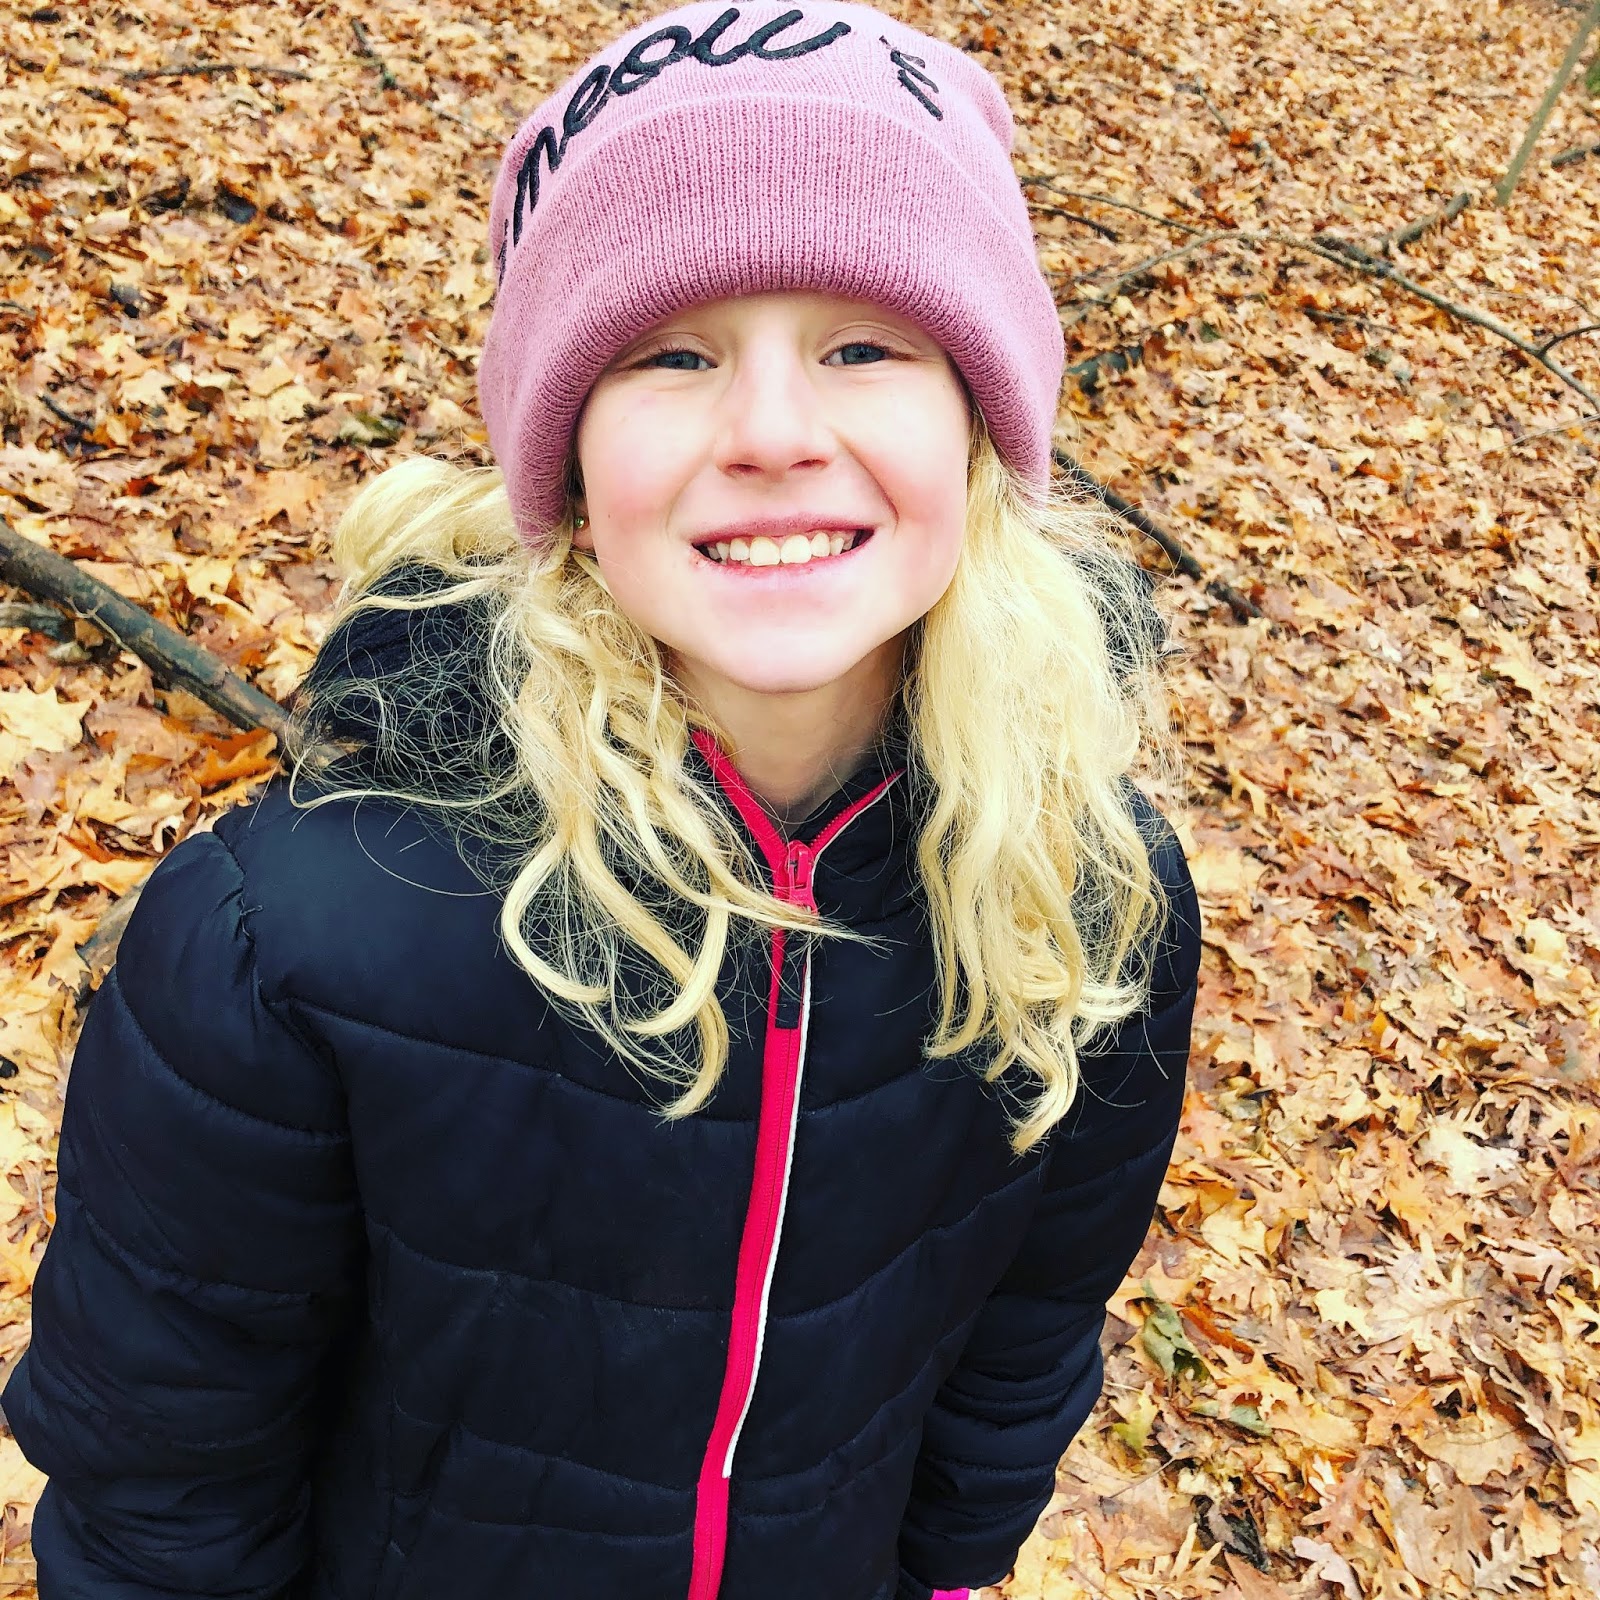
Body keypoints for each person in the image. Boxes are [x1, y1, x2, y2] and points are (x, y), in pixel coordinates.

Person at [2, 4, 1203, 1598]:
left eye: (865, 346)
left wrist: (944, 1574)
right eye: (671, 354)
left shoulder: (1087, 895)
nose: (773, 435)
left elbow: (1025, 1336)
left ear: (982, 424)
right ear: (562, 455)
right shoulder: (281, 946)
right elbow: (165, 1493)